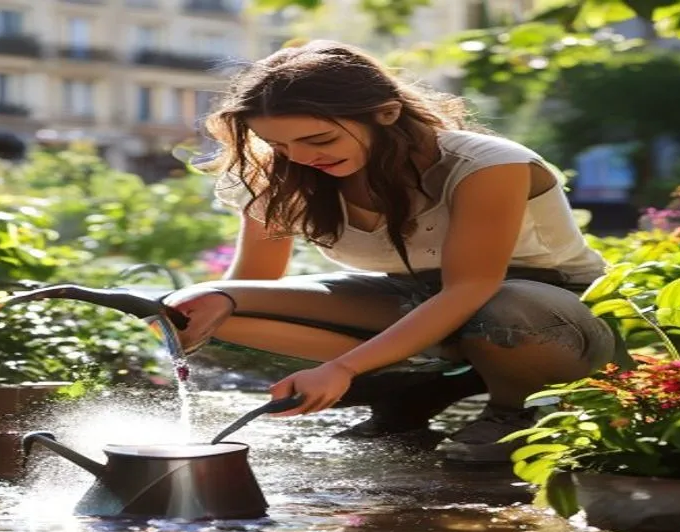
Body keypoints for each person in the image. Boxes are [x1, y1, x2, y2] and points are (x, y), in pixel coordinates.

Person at [162, 39, 617, 464]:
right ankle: (411, 388)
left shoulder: (487, 164)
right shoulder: (286, 176)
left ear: (386, 113)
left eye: (318, 140)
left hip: (547, 314)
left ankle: (515, 411)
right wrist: (205, 312)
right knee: (198, 307)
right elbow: (253, 284)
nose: (298, 157)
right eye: (279, 144)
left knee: (504, 309)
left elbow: (470, 288)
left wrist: (342, 368)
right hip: (416, 304)